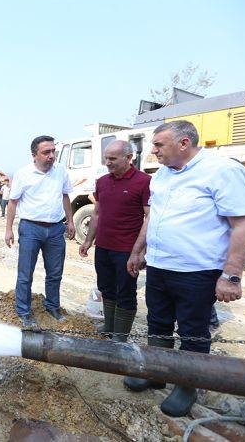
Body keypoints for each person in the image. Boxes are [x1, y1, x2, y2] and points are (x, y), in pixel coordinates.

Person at [125, 120, 245, 417]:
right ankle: (156, 372)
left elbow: (243, 223)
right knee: (158, 323)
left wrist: (232, 275)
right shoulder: (161, 176)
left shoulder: (222, 171)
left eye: (159, 145)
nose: (153, 151)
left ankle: (187, 384)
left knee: (193, 330)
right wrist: (138, 249)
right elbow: (152, 216)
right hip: (159, 266)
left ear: (184, 143)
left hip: (197, 271)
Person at [79, 140, 150, 344]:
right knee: (106, 288)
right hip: (103, 247)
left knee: (125, 292)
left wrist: (140, 251)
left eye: (112, 158)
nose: (107, 163)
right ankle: (109, 326)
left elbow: (149, 217)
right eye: (106, 158)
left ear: (129, 158)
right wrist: (88, 240)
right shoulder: (102, 182)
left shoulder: (144, 181)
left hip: (127, 250)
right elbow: (97, 214)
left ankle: (120, 336)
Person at [5, 135, 76, 327]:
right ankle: (24, 311)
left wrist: (70, 221)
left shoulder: (61, 171)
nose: (51, 156)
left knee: (55, 273)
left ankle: (52, 306)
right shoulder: (23, 174)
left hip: (55, 230)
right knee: (25, 273)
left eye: (53, 151)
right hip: (30, 229)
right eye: (46, 152)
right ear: (34, 155)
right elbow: (13, 203)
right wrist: (8, 230)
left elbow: (65, 196)